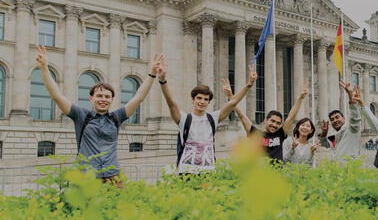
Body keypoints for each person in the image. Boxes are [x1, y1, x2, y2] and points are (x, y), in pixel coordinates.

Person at [35, 45, 162, 186]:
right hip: (87, 176)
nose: (103, 99)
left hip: (113, 176)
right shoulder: (81, 115)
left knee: (117, 207)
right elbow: (57, 96)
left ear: (112, 99)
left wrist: (151, 74)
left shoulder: (116, 117)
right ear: (91, 98)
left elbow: (138, 97)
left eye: (107, 96)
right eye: (99, 95)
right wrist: (44, 68)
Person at [157, 58, 257, 174]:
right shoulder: (184, 118)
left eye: (206, 99)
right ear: (193, 99)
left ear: (209, 102)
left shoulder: (212, 118)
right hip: (186, 172)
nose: (202, 102)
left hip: (208, 171)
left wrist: (249, 85)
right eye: (199, 98)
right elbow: (171, 103)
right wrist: (163, 81)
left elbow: (233, 103)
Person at [228, 85, 309, 163]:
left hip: (278, 173)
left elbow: (291, 117)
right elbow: (242, 116)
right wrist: (231, 97)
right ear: (265, 120)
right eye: (272, 121)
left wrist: (300, 98)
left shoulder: (280, 134)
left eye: (278, 123)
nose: (274, 125)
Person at [316, 82, 363, 160]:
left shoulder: (351, 129)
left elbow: (355, 118)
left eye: (337, 117)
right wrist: (324, 134)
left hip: (350, 169)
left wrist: (351, 98)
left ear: (344, 118)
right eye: (332, 119)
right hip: (337, 169)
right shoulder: (334, 134)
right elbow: (326, 145)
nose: (335, 120)